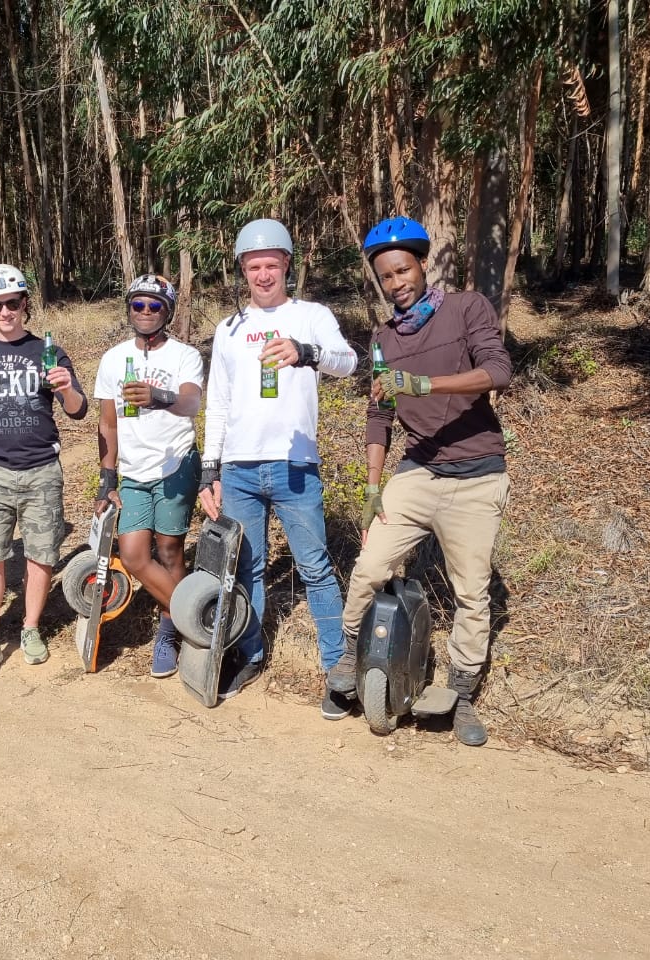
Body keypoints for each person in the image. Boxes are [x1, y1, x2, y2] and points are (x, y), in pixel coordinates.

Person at [327, 216, 512, 746]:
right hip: (418, 470)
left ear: (423, 264)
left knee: (471, 593)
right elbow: (379, 416)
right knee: (369, 566)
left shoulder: (466, 307)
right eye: (386, 277)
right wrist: (371, 487)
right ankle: (348, 657)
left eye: (404, 270)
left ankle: (463, 691)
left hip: (477, 474)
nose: (397, 283)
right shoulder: (383, 338)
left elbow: (498, 371)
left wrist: (425, 384)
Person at [198, 219, 358, 714]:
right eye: (254, 267)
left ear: (288, 264)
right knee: (246, 568)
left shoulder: (310, 315)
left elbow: (349, 361)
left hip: (295, 466)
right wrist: (210, 470)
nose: (263, 275)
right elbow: (219, 403)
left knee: (314, 567)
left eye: (272, 265)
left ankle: (338, 670)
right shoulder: (229, 329)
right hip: (240, 469)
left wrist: (307, 353)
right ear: (242, 270)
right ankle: (249, 654)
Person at [0, 263, 88, 681]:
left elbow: (78, 412)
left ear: (26, 304)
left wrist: (66, 387)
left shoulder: (50, 352)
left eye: (12, 303)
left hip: (43, 470)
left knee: (42, 555)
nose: (5, 312)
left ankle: (29, 629)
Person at [92, 275, 204, 678]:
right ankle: (199, 620)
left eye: (153, 306)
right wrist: (108, 479)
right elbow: (108, 424)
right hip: (134, 473)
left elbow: (192, 402)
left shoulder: (184, 356)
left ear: (167, 311)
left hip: (175, 467)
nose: (144, 313)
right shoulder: (113, 359)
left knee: (170, 551)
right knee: (136, 555)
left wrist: (160, 398)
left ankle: (169, 633)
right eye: (138, 305)